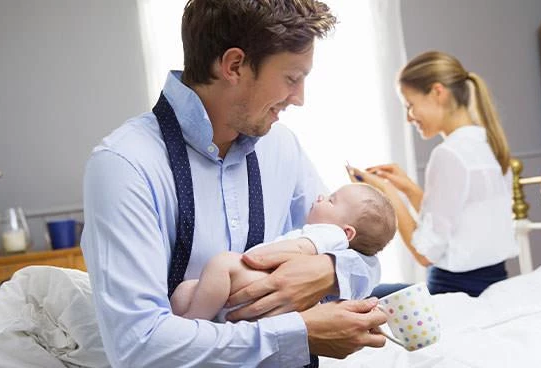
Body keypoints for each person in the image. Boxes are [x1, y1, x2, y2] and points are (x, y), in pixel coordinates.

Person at [81, 1, 388, 367]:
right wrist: (299, 333)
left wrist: (329, 272)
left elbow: (365, 252)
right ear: (235, 65)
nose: (300, 99)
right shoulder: (125, 165)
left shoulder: (282, 146)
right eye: (292, 78)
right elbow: (140, 347)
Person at [349, 51, 518, 298]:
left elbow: (425, 254)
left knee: (360, 295)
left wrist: (388, 195)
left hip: (453, 292)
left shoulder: (448, 154)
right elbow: (453, 217)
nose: (409, 117)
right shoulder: (490, 144)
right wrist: (408, 188)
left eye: (410, 105)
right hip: (492, 284)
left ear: (438, 92)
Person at [171, 183, 397, 321]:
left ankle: (194, 323)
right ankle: (199, 321)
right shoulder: (329, 233)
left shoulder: (331, 234)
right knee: (184, 292)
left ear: (347, 232)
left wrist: (260, 256)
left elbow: (299, 248)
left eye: (331, 200)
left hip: (263, 277)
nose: (320, 197)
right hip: (257, 289)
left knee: (222, 263)